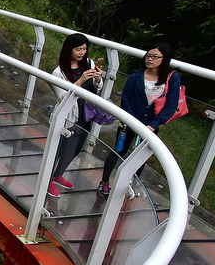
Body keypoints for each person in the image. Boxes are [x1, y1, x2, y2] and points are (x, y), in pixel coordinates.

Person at [97, 43, 181, 197]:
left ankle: (130, 184)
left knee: (140, 157)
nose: (150, 59)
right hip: (129, 123)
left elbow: (171, 106)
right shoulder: (135, 77)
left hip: (151, 125)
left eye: (155, 57)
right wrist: (133, 121)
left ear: (164, 59)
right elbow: (126, 100)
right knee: (118, 149)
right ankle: (105, 181)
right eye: (148, 56)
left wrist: (153, 124)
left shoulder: (172, 78)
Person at [48, 33, 104, 198]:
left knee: (76, 148)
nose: (81, 52)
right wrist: (79, 82)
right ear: (69, 50)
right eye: (78, 49)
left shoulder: (89, 63)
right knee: (60, 149)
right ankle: (48, 180)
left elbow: (97, 88)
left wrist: (97, 79)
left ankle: (58, 174)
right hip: (68, 117)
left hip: (85, 115)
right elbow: (62, 98)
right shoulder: (58, 73)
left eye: (84, 49)